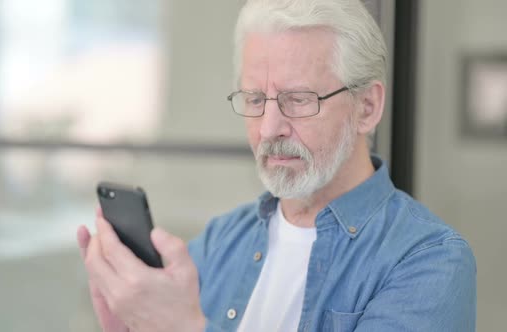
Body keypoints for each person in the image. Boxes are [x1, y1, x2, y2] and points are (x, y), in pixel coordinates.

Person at [76, 0, 477, 331]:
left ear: (367, 107)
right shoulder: (221, 240)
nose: (269, 129)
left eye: (299, 99)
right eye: (254, 99)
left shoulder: (429, 262)